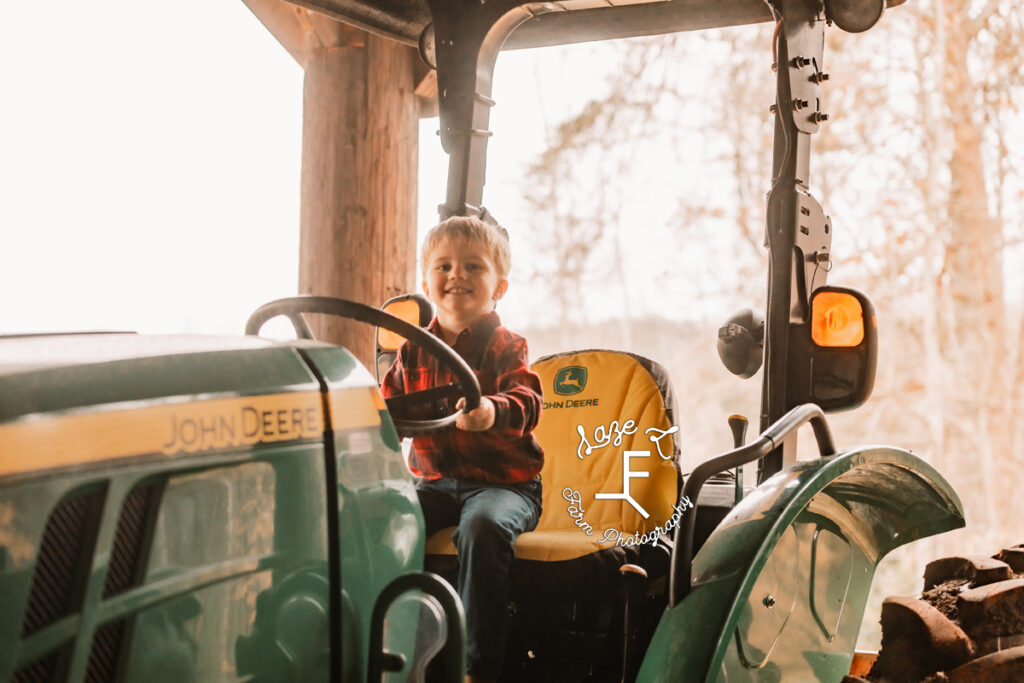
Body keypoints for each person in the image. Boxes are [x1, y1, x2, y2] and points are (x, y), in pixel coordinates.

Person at [380, 215, 544, 683]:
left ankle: (476, 667)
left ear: (500, 287)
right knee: (379, 518)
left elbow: (527, 400)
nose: (458, 276)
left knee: (482, 527)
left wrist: (493, 411)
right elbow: (388, 409)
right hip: (433, 483)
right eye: (445, 266)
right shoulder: (412, 349)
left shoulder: (507, 345)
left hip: (504, 486)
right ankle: (392, 653)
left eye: (474, 267)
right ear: (427, 281)